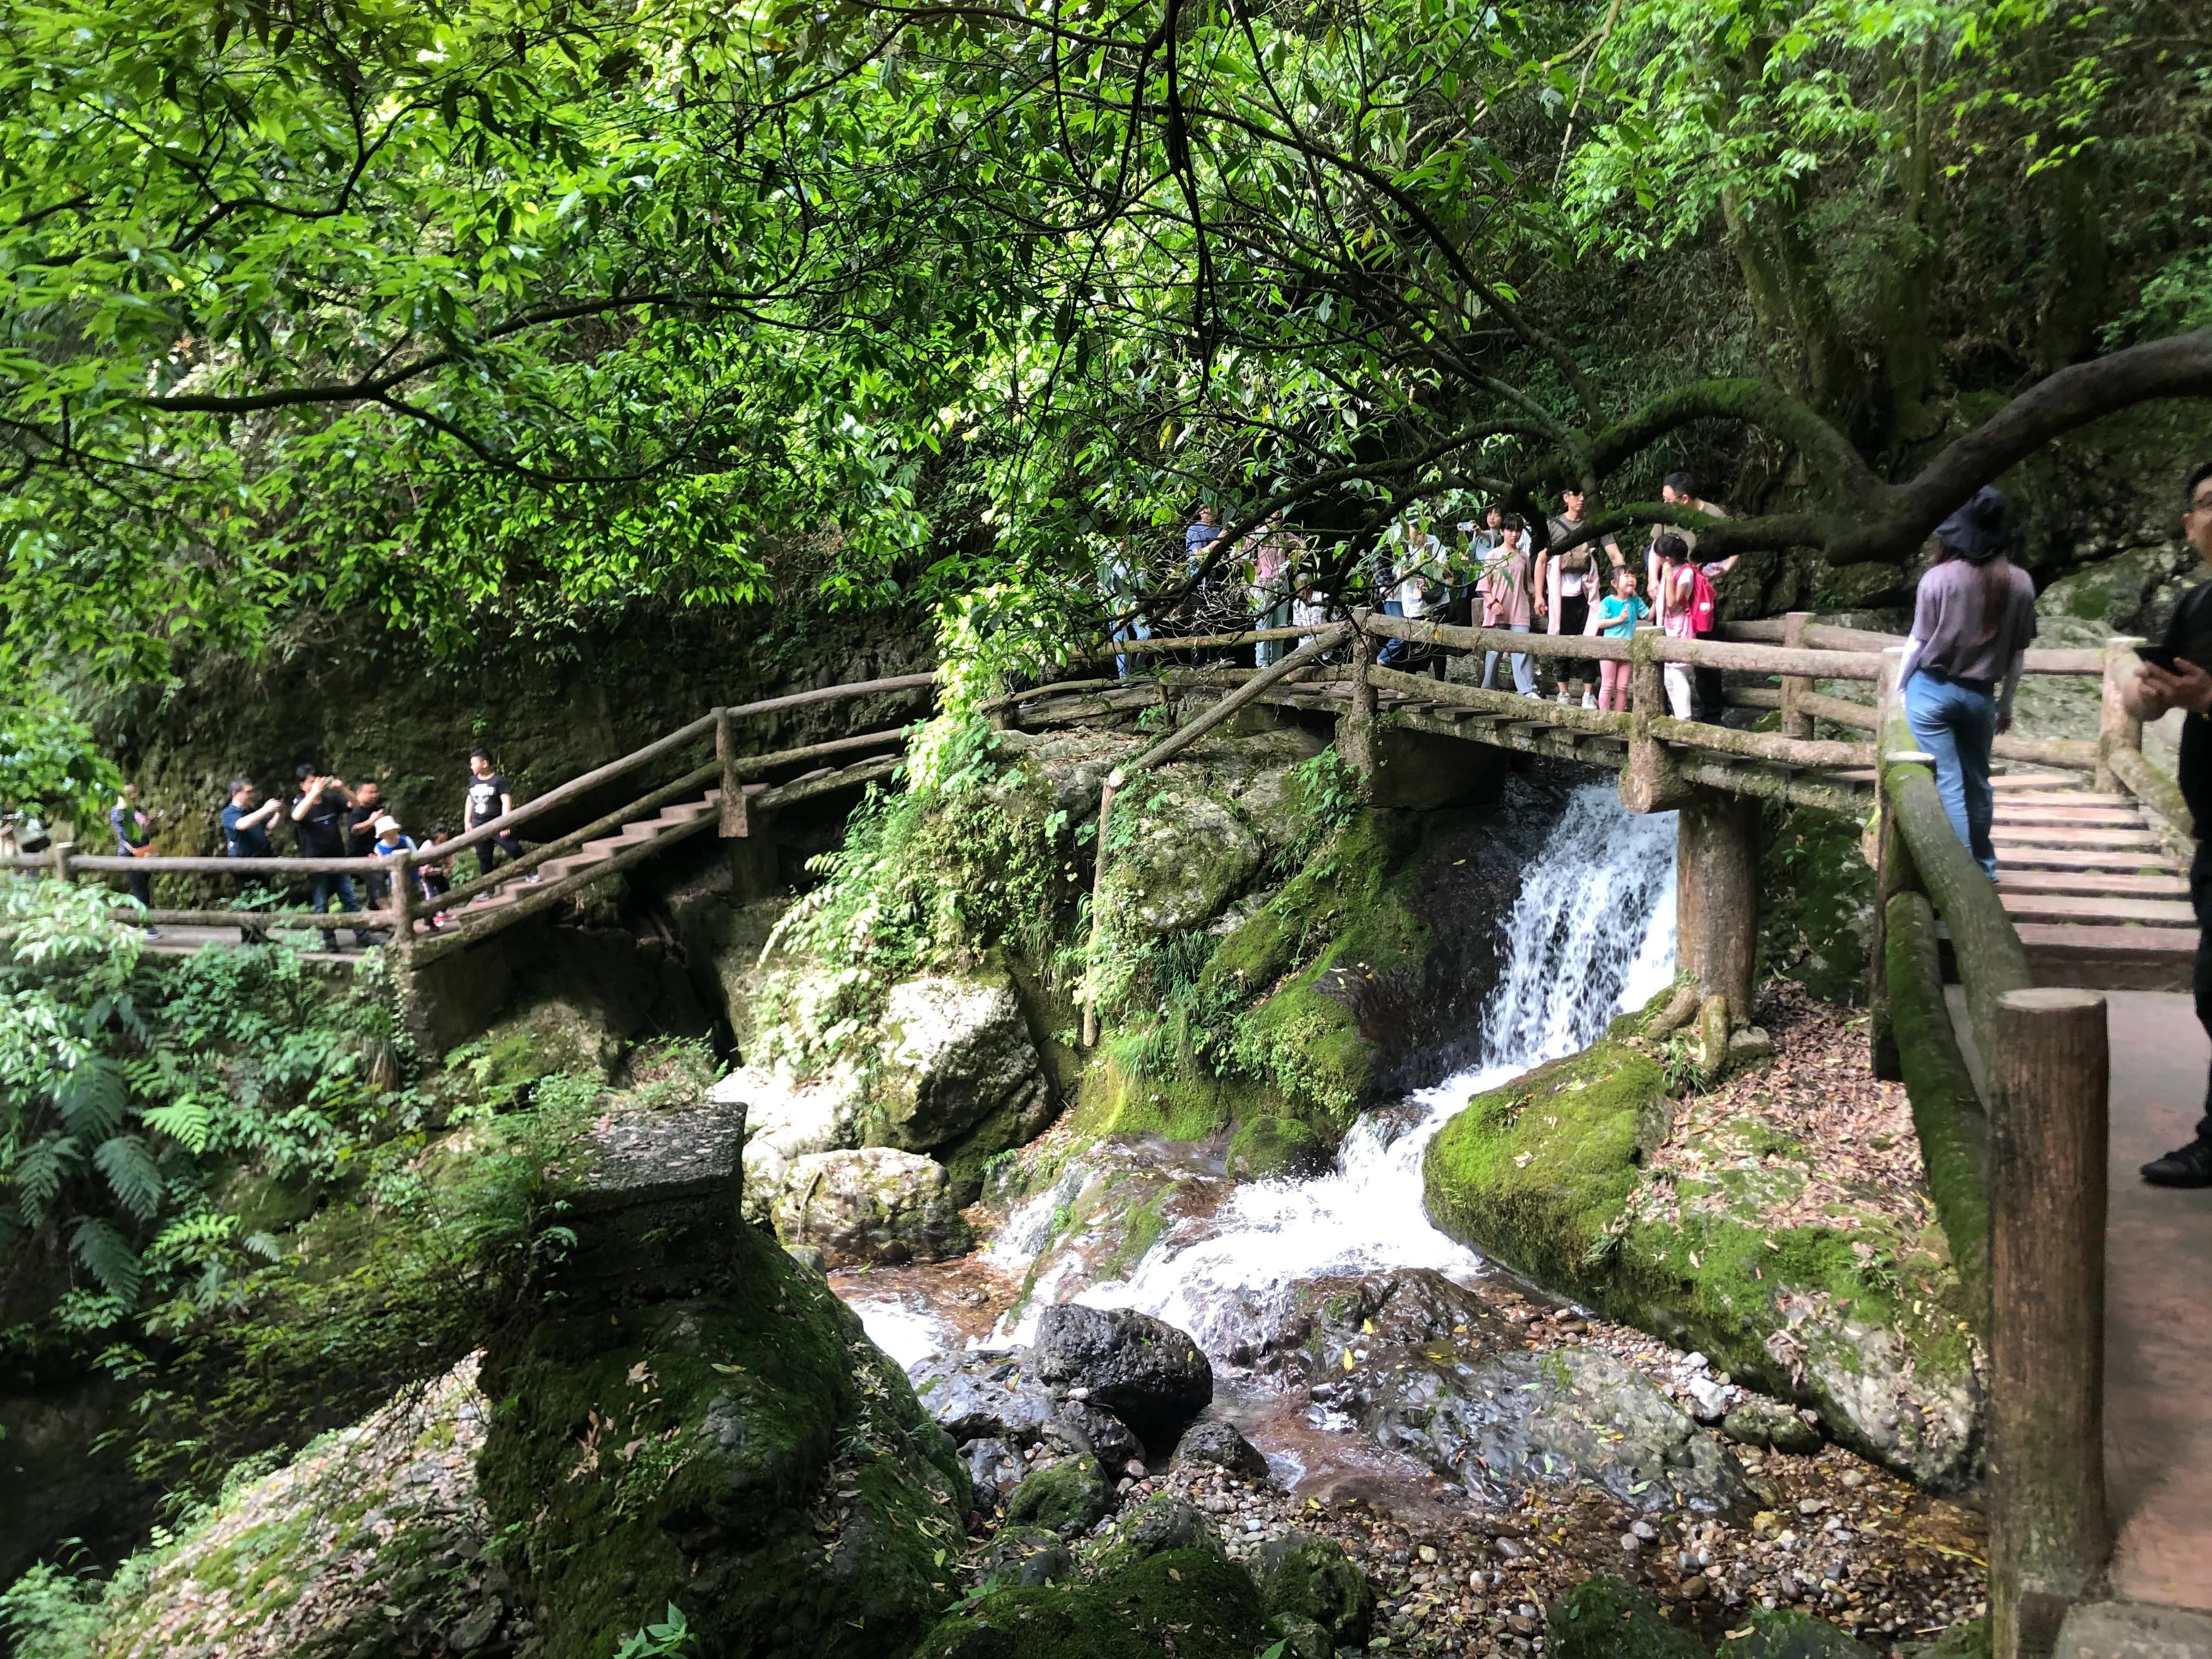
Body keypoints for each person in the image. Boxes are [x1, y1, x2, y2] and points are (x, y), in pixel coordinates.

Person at [2121, 459, 2212, 1186]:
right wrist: (2149, 698)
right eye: (2208, 503)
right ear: (2189, 525)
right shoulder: (2196, 605)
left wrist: (2209, 699)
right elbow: (2158, 702)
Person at [1899, 487, 2037, 879]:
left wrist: (1898, 691)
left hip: (1932, 690)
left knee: (1947, 781)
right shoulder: (2022, 584)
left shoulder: (1937, 580)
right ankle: (1985, 867)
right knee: (1978, 780)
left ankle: (1960, 878)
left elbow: (1917, 645)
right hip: (1981, 698)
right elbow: (2016, 655)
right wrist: (2006, 706)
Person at [1541, 488, 1625, 707]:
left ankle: (1588, 694)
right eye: (1575, 494)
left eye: (1584, 495)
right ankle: (1563, 693)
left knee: (1590, 640)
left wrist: (1624, 584)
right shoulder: (1552, 527)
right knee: (1559, 642)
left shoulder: (1596, 526)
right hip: (1558, 596)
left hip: (1589, 595)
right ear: (1565, 497)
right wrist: (1538, 596)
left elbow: (1615, 556)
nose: (1581, 499)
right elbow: (1541, 561)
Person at [1476, 516, 1538, 697]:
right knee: (1495, 651)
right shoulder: (1493, 556)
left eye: (1518, 530)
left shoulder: (1523, 557)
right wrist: (1493, 603)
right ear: (1502, 532)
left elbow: (1528, 584)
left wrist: (1539, 599)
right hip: (1498, 609)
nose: (1514, 534)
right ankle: (1488, 689)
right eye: (1510, 530)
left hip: (1520, 608)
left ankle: (1527, 690)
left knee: (1522, 648)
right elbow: (1483, 586)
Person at [220, 778, 281, 943]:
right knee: (248, 903)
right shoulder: (229, 813)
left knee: (264, 903)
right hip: (243, 866)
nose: (252, 795)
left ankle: (260, 936)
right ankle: (248, 940)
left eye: (252, 791)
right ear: (235, 794)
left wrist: (276, 812)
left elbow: (269, 826)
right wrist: (265, 809)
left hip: (262, 862)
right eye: (248, 792)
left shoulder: (252, 810)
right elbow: (243, 825)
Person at [1378, 512, 1443, 668]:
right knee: (1403, 633)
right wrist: (1386, 584)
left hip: (1411, 597)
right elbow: (1378, 560)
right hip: (1393, 595)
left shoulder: (1432, 542)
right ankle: (1382, 660)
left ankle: (1394, 669)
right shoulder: (1395, 539)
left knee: (1411, 634)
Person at [1653, 535, 1700, 719]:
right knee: (1668, 674)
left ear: (1668, 558)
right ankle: (1678, 713)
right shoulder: (1673, 569)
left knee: (1677, 672)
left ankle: (1684, 717)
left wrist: (1668, 577)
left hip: (1680, 626)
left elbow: (1673, 602)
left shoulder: (1686, 572)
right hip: (1667, 624)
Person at [1592, 568, 1650, 712]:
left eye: (1633, 576)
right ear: (1615, 583)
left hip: (1628, 646)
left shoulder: (1636, 601)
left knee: (1623, 686)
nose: (1631, 579)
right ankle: (1604, 716)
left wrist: (1656, 598)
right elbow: (1600, 623)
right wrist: (1619, 619)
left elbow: (1649, 616)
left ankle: (1619, 716)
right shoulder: (1608, 602)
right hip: (1609, 647)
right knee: (1608, 684)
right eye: (1627, 576)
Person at [465, 750, 526, 878]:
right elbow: (470, 801)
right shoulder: (472, 781)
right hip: (479, 825)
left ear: (485, 764)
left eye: (474, 764)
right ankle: (489, 888)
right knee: (484, 857)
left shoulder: (498, 781)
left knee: (513, 848)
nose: (471, 767)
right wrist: (468, 822)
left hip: (497, 823)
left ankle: (531, 871)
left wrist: (506, 823)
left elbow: (506, 801)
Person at [110, 785, 157, 936]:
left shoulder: (140, 810)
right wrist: (123, 806)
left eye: (135, 796)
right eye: (131, 797)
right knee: (139, 889)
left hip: (145, 851)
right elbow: (123, 835)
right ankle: (148, 926)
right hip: (130, 854)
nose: (134, 799)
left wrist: (150, 822)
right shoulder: (118, 813)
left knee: (141, 889)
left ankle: (134, 922)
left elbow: (145, 832)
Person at [1099, 539, 1151, 680]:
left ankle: (1140, 665)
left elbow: (1142, 584)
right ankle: (1125, 678)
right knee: (1121, 642)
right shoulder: (1109, 561)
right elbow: (1101, 584)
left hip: (1133, 604)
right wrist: (1104, 604)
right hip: (1115, 605)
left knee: (1146, 634)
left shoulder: (1135, 561)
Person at [345, 780, 386, 857]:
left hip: (377, 854)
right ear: (359, 793)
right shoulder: (353, 808)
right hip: (358, 857)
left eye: (376, 792)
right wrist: (371, 821)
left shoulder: (377, 807)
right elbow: (354, 830)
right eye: (370, 793)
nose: (375, 795)